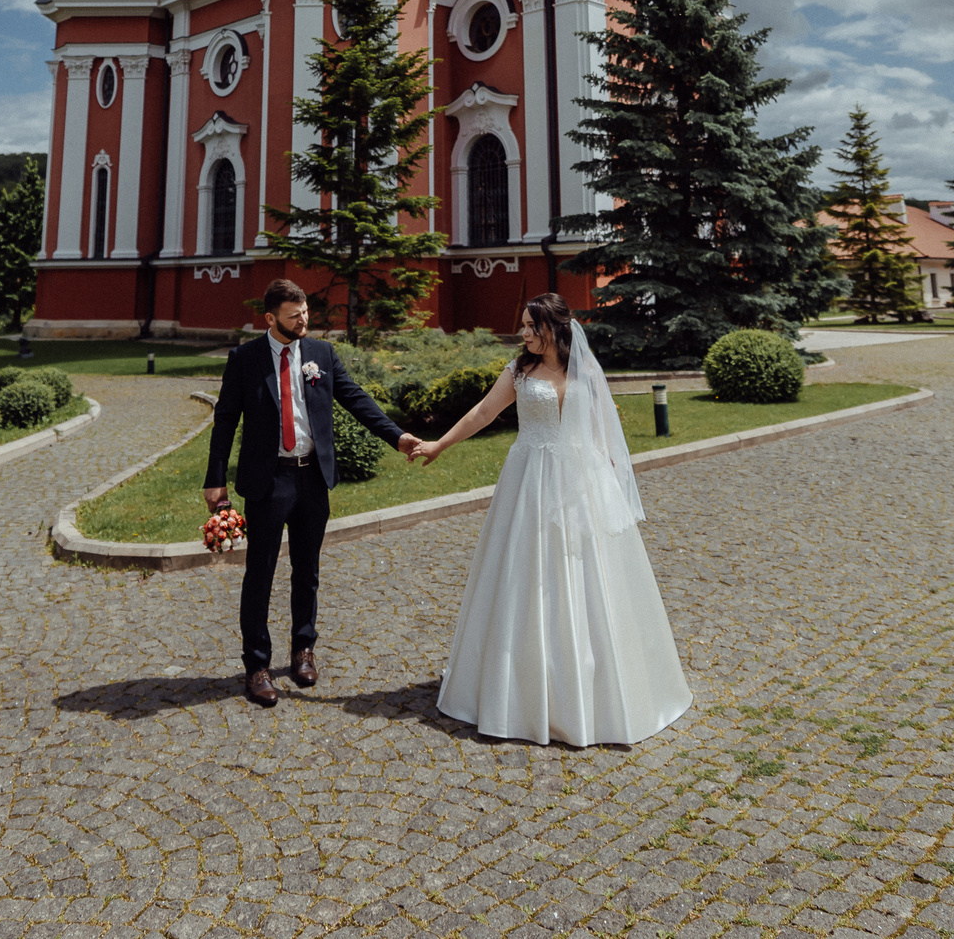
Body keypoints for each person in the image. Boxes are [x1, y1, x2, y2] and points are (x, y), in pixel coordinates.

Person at [413, 293, 693, 746]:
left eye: (531, 326)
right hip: (530, 482)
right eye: (522, 325)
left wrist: (613, 489)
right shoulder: (519, 372)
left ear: (556, 328)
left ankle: (596, 687)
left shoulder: (587, 371)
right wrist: (439, 444)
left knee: (586, 577)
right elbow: (484, 412)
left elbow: (606, 434)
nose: (522, 333)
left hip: (582, 484)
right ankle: (519, 686)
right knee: (526, 575)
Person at [204, 279, 425, 707]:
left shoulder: (321, 354)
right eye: (293, 315)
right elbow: (225, 419)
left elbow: (355, 398)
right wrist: (215, 479)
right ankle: (257, 666)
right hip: (269, 483)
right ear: (271, 319)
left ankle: (303, 650)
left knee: (307, 570)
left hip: (312, 479)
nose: (303, 320)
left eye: (305, 312)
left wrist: (396, 437)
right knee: (260, 575)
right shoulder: (246, 359)